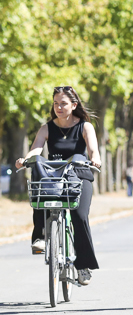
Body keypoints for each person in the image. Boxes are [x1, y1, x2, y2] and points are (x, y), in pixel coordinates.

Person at [16, 86, 101, 285]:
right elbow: (36, 149)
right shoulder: (47, 128)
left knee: (79, 216)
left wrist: (95, 160)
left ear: (74, 105)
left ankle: (83, 266)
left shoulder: (85, 127)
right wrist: (24, 160)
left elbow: (93, 150)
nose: (59, 107)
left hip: (79, 176)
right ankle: (40, 238)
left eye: (63, 103)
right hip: (53, 176)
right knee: (39, 196)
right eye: (56, 103)